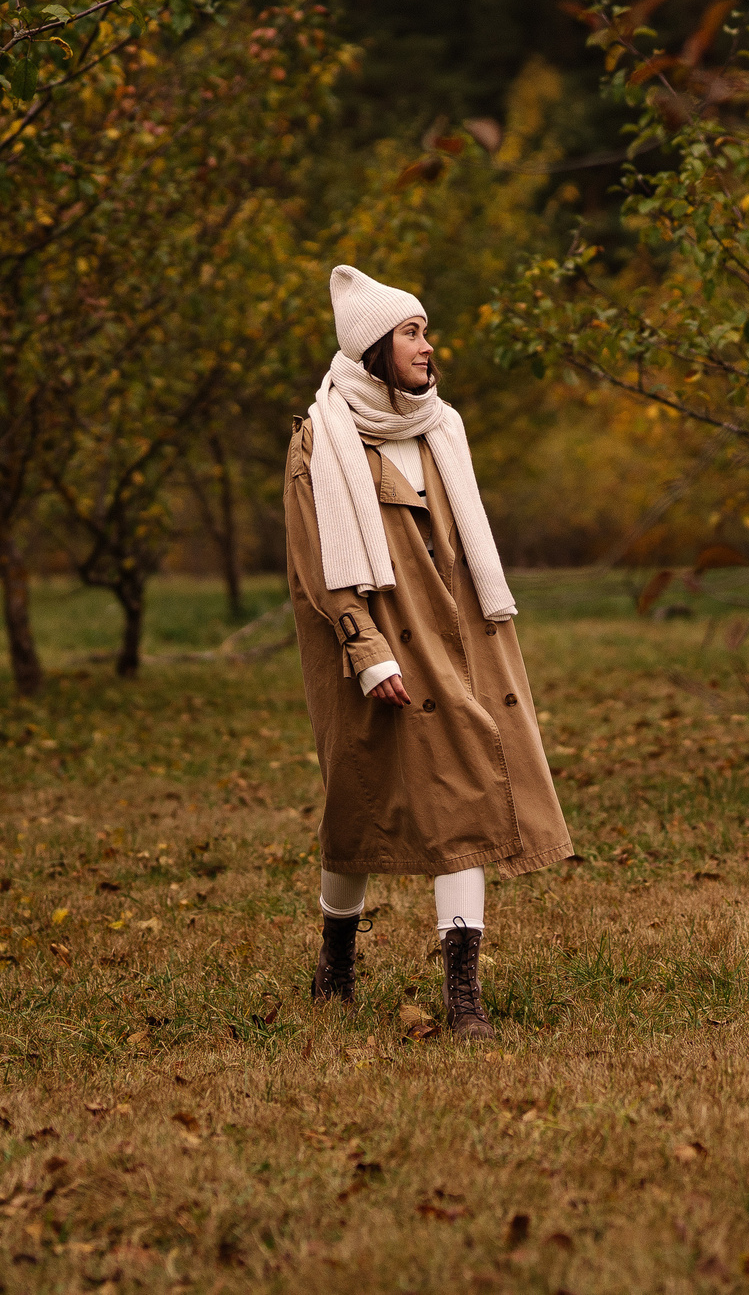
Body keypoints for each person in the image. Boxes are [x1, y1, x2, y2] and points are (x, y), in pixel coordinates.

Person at [282, 266, 573, 1039]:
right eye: (411, 331)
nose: (427, 344)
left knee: (464, 800)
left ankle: (464, 991)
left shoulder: (439, 426)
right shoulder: (323, 440)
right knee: (358, 809)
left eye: (424, 329)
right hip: (375, 655)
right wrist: (368, 651)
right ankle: (336, 962)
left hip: (460, 645)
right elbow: (317, 562)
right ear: (374, 346)